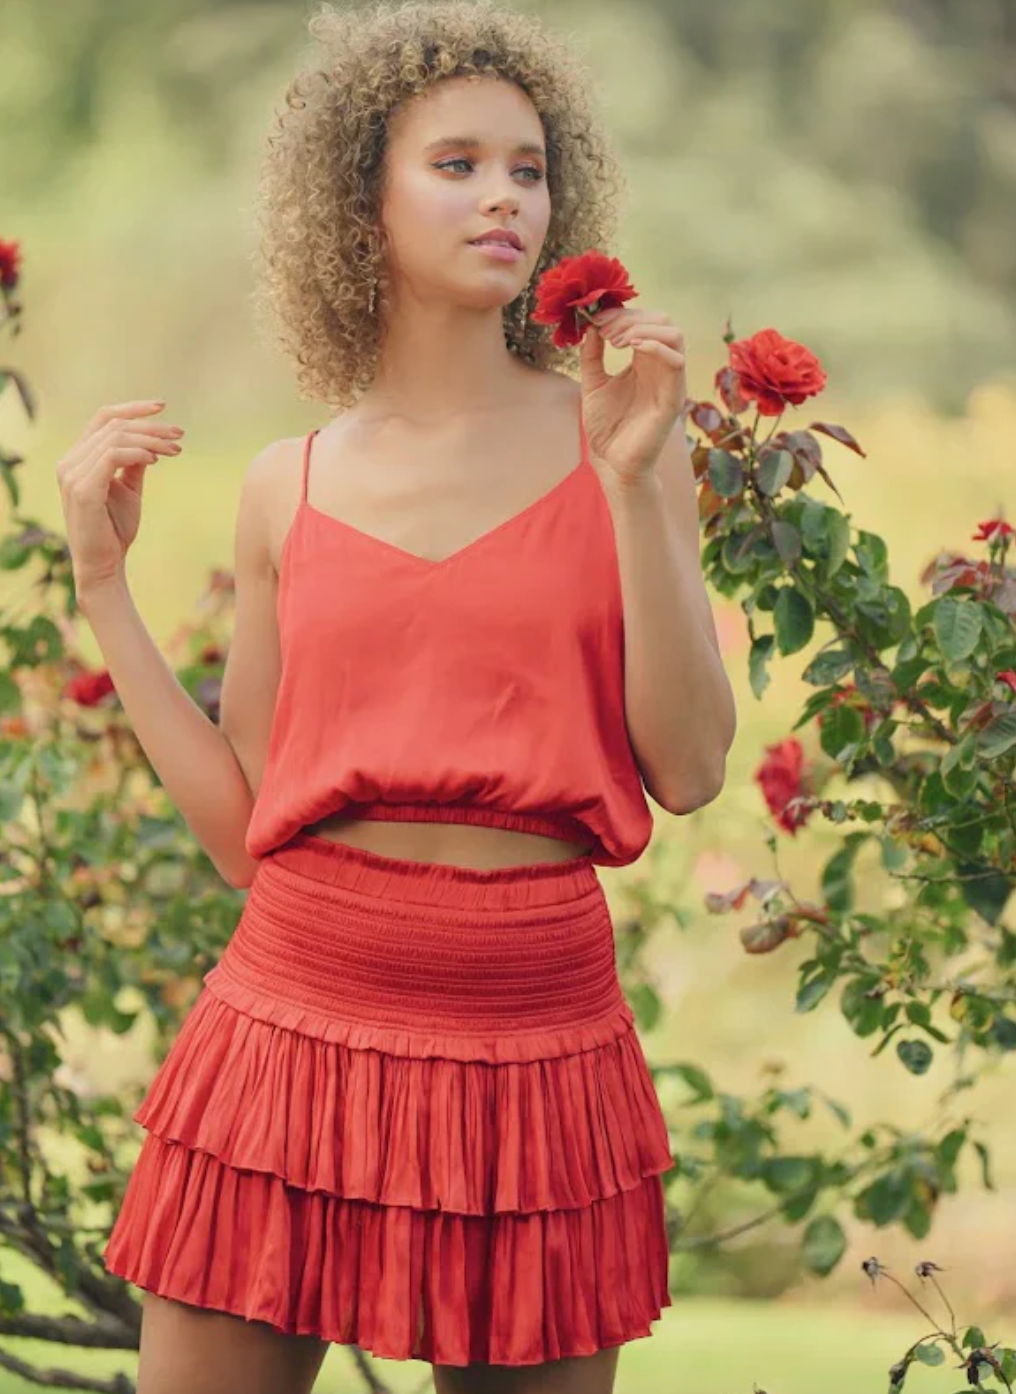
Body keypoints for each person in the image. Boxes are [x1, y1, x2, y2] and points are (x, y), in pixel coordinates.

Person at [57, 1, 736, 1390]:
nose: (505, 196)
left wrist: (627, 487)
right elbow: (248, 838)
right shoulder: (285, 484)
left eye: (530, 168)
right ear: (358, 205)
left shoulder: (628, 442)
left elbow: (692, 765)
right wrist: (108, 595)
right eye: (458, 163)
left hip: (536, 1039)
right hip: (293, 1019)